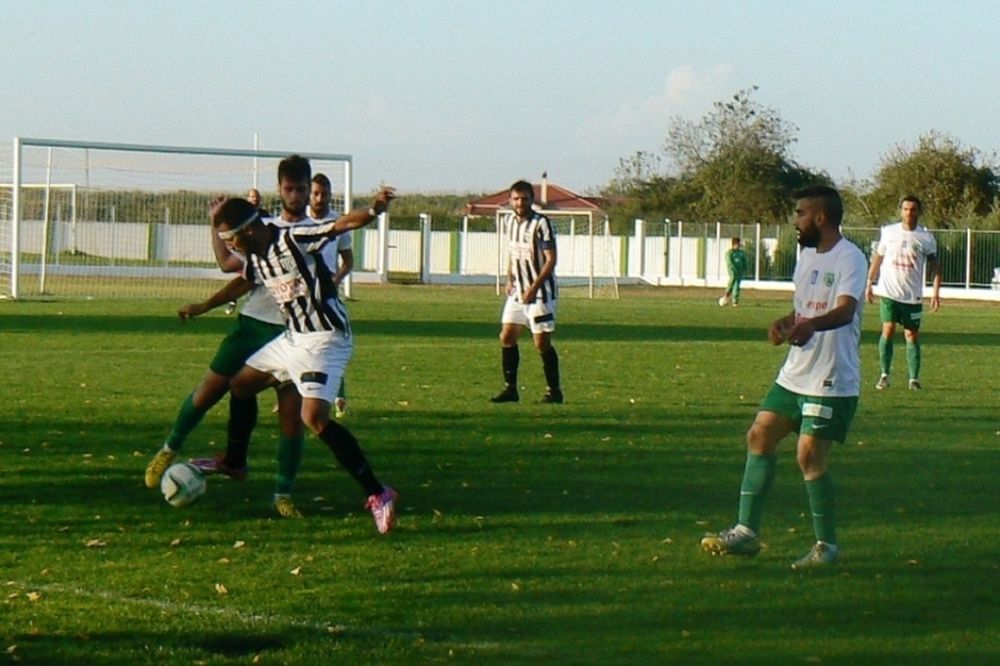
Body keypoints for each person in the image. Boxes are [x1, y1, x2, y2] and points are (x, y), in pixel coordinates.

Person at [179, 179, 399, 534]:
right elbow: (242, 281)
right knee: (241, 385)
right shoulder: (256, 255)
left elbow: (340, 224)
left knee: (314, 418)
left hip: (325, 339)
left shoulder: (293, 238)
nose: (231, 246)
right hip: (293, 338)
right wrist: (204, 306)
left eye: (231, 238)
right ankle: (235, 462)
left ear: (248, 230)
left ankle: (378, 492)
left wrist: (374, 209)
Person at [701, 185, 867, 569]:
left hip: (831, 378)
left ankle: (826, 547)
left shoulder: (850, 259)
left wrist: (811, 326)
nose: (796, 221)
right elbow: (803, 310)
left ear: (821, 218)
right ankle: (746, 533)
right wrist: (786, 322)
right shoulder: (806, 256)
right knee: (759, 434)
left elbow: (844, 311)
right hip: (796, 374)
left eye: (801, 213)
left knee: (809, 456)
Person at [490, 180, 563, 404]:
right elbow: (514, 253)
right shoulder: (510, 222)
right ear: (510, 200)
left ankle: (554, 391)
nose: (520, 203)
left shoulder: (542, 224)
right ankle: (511, 389)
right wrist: (509, 278)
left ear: (532, 200)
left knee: (541, 343)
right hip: (518, 292)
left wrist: (534, 288)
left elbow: (551, 260)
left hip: (540, 293)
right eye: (516, 199)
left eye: (525, 199)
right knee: (507, 336)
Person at [865, 195, 941, 390]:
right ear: (901, 211)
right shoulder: (889, 232)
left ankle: (913, 379)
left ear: (919, 212)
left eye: (913, 209)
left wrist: (935, 293)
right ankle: (884, 375)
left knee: (912, 335)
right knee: (888, 330)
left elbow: (935, 267)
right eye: (906, 209)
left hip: (912, 295)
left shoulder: (926, 237)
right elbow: (878, 258)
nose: (909, 213)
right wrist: (869, 282)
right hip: (889, 292)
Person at [308, 173, 353, 418]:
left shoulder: (338, 224)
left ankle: (339, 396)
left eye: (324, 194)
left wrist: (335, 280)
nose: (320, 198)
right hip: (301, 295)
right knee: (299, 348)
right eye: (316, 193)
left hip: (326, 296)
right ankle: (295, 397)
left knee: (329, 346)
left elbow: (348, 261)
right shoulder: (301, 221)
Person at [718, 237, 749, 307]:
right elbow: (729, 262)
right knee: (732, 280)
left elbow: (744, 261)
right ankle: (727, 294)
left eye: (739, 244)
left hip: (739, 271)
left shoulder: (741, 253)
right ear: (733, 244)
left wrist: (745, 268)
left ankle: (735, 302)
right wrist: (733, 267)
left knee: (737, 285)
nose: (738, 246)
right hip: (732, 271)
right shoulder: (730, 253)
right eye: (737, 244)